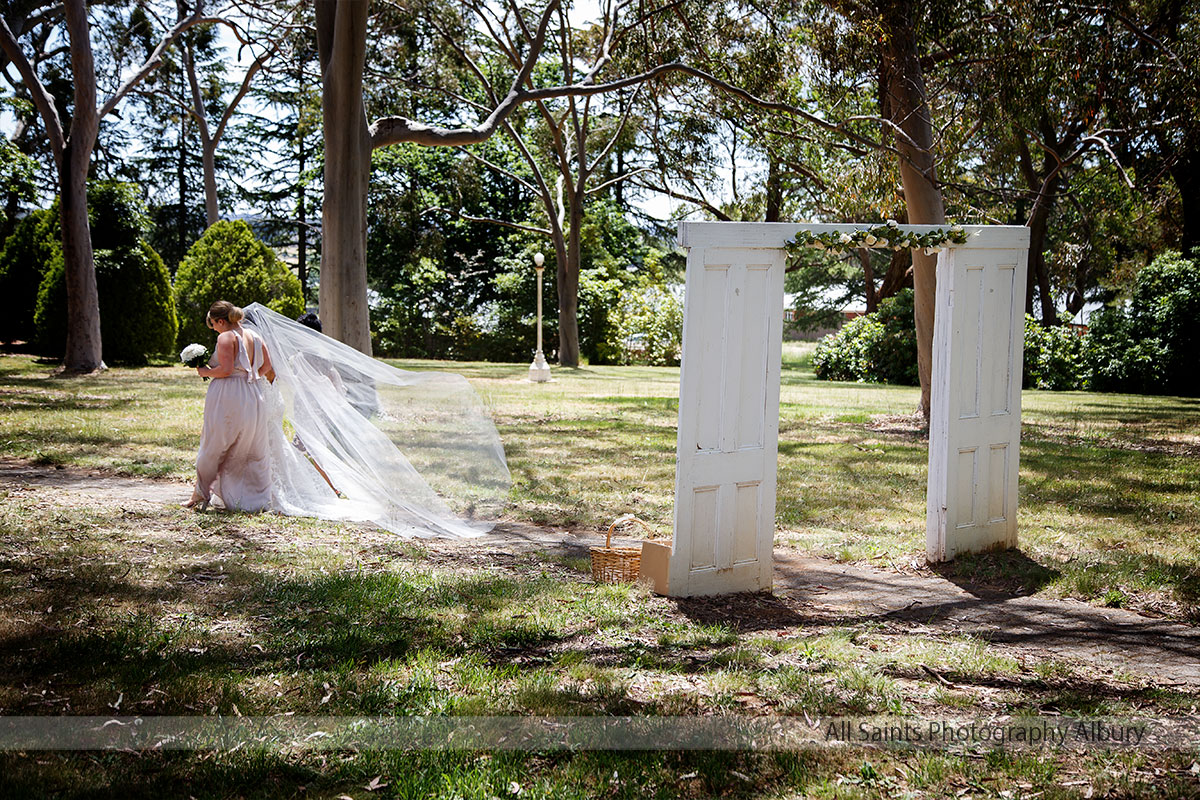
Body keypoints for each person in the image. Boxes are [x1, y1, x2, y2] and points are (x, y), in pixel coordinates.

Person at [184, 301, 275, 512]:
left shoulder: (225, 337)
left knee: (215, 443)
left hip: (229, 394)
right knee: (248, 446)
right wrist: (249, 376)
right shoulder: (256, 336)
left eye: (213, 324)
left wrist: (205, 371)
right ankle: (251, 498)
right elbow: (268, 366)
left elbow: (224, 369)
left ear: (221, 321)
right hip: (253, 393)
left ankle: (201, 493)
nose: (214, 328)